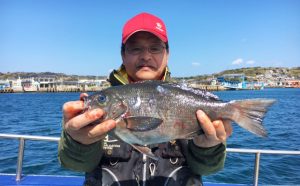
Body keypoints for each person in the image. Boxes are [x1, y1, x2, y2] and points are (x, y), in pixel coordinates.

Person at [58, 12, 232, 186]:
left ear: (167, 53)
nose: (146, 56)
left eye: (155, 48)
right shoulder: (93, 109)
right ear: (123, 55)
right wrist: (78, 143)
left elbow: (207, 169)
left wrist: (207, 148)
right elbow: (73, 164)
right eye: (135, 48)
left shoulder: (185, 98)